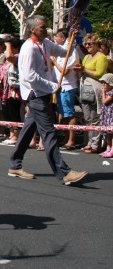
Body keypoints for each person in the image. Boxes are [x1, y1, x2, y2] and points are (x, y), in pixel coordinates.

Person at [7, 15, 87, 185]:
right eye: (42, 27)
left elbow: (65, 52)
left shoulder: (45, 44)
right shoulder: (29, 48)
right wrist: (52, 86)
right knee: (49, 132)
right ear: (32, 29)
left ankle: (15, 164)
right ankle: (64, 172)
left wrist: (72, 36)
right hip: (35, 94)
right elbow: (29, 76)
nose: (46, 29)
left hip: (42, 94)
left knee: (29, 129)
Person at [76, 33, 107, 154]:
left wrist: (84, 69)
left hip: (95, 89)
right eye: (86, 44)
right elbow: (83, 71)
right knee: (87, 117)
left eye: (90, 44)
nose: (87, 46)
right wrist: (80, 70)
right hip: (85, 88)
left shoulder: (101, 57)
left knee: (95, 117)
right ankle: (89, 142)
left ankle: (95, 144)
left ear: (96, 44)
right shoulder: (86, 57)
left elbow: (99, 74)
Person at [50, 29, 80, 150]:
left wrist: (55, 61)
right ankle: (65, 137)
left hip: (67, 86)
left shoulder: (71, 51)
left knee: (69, 113)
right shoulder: (60, 51)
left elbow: (66, 71)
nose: (55, 39)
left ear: (63, 38)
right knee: (62, 115)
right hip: (59, 86)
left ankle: (71, 140)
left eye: (57, 37)